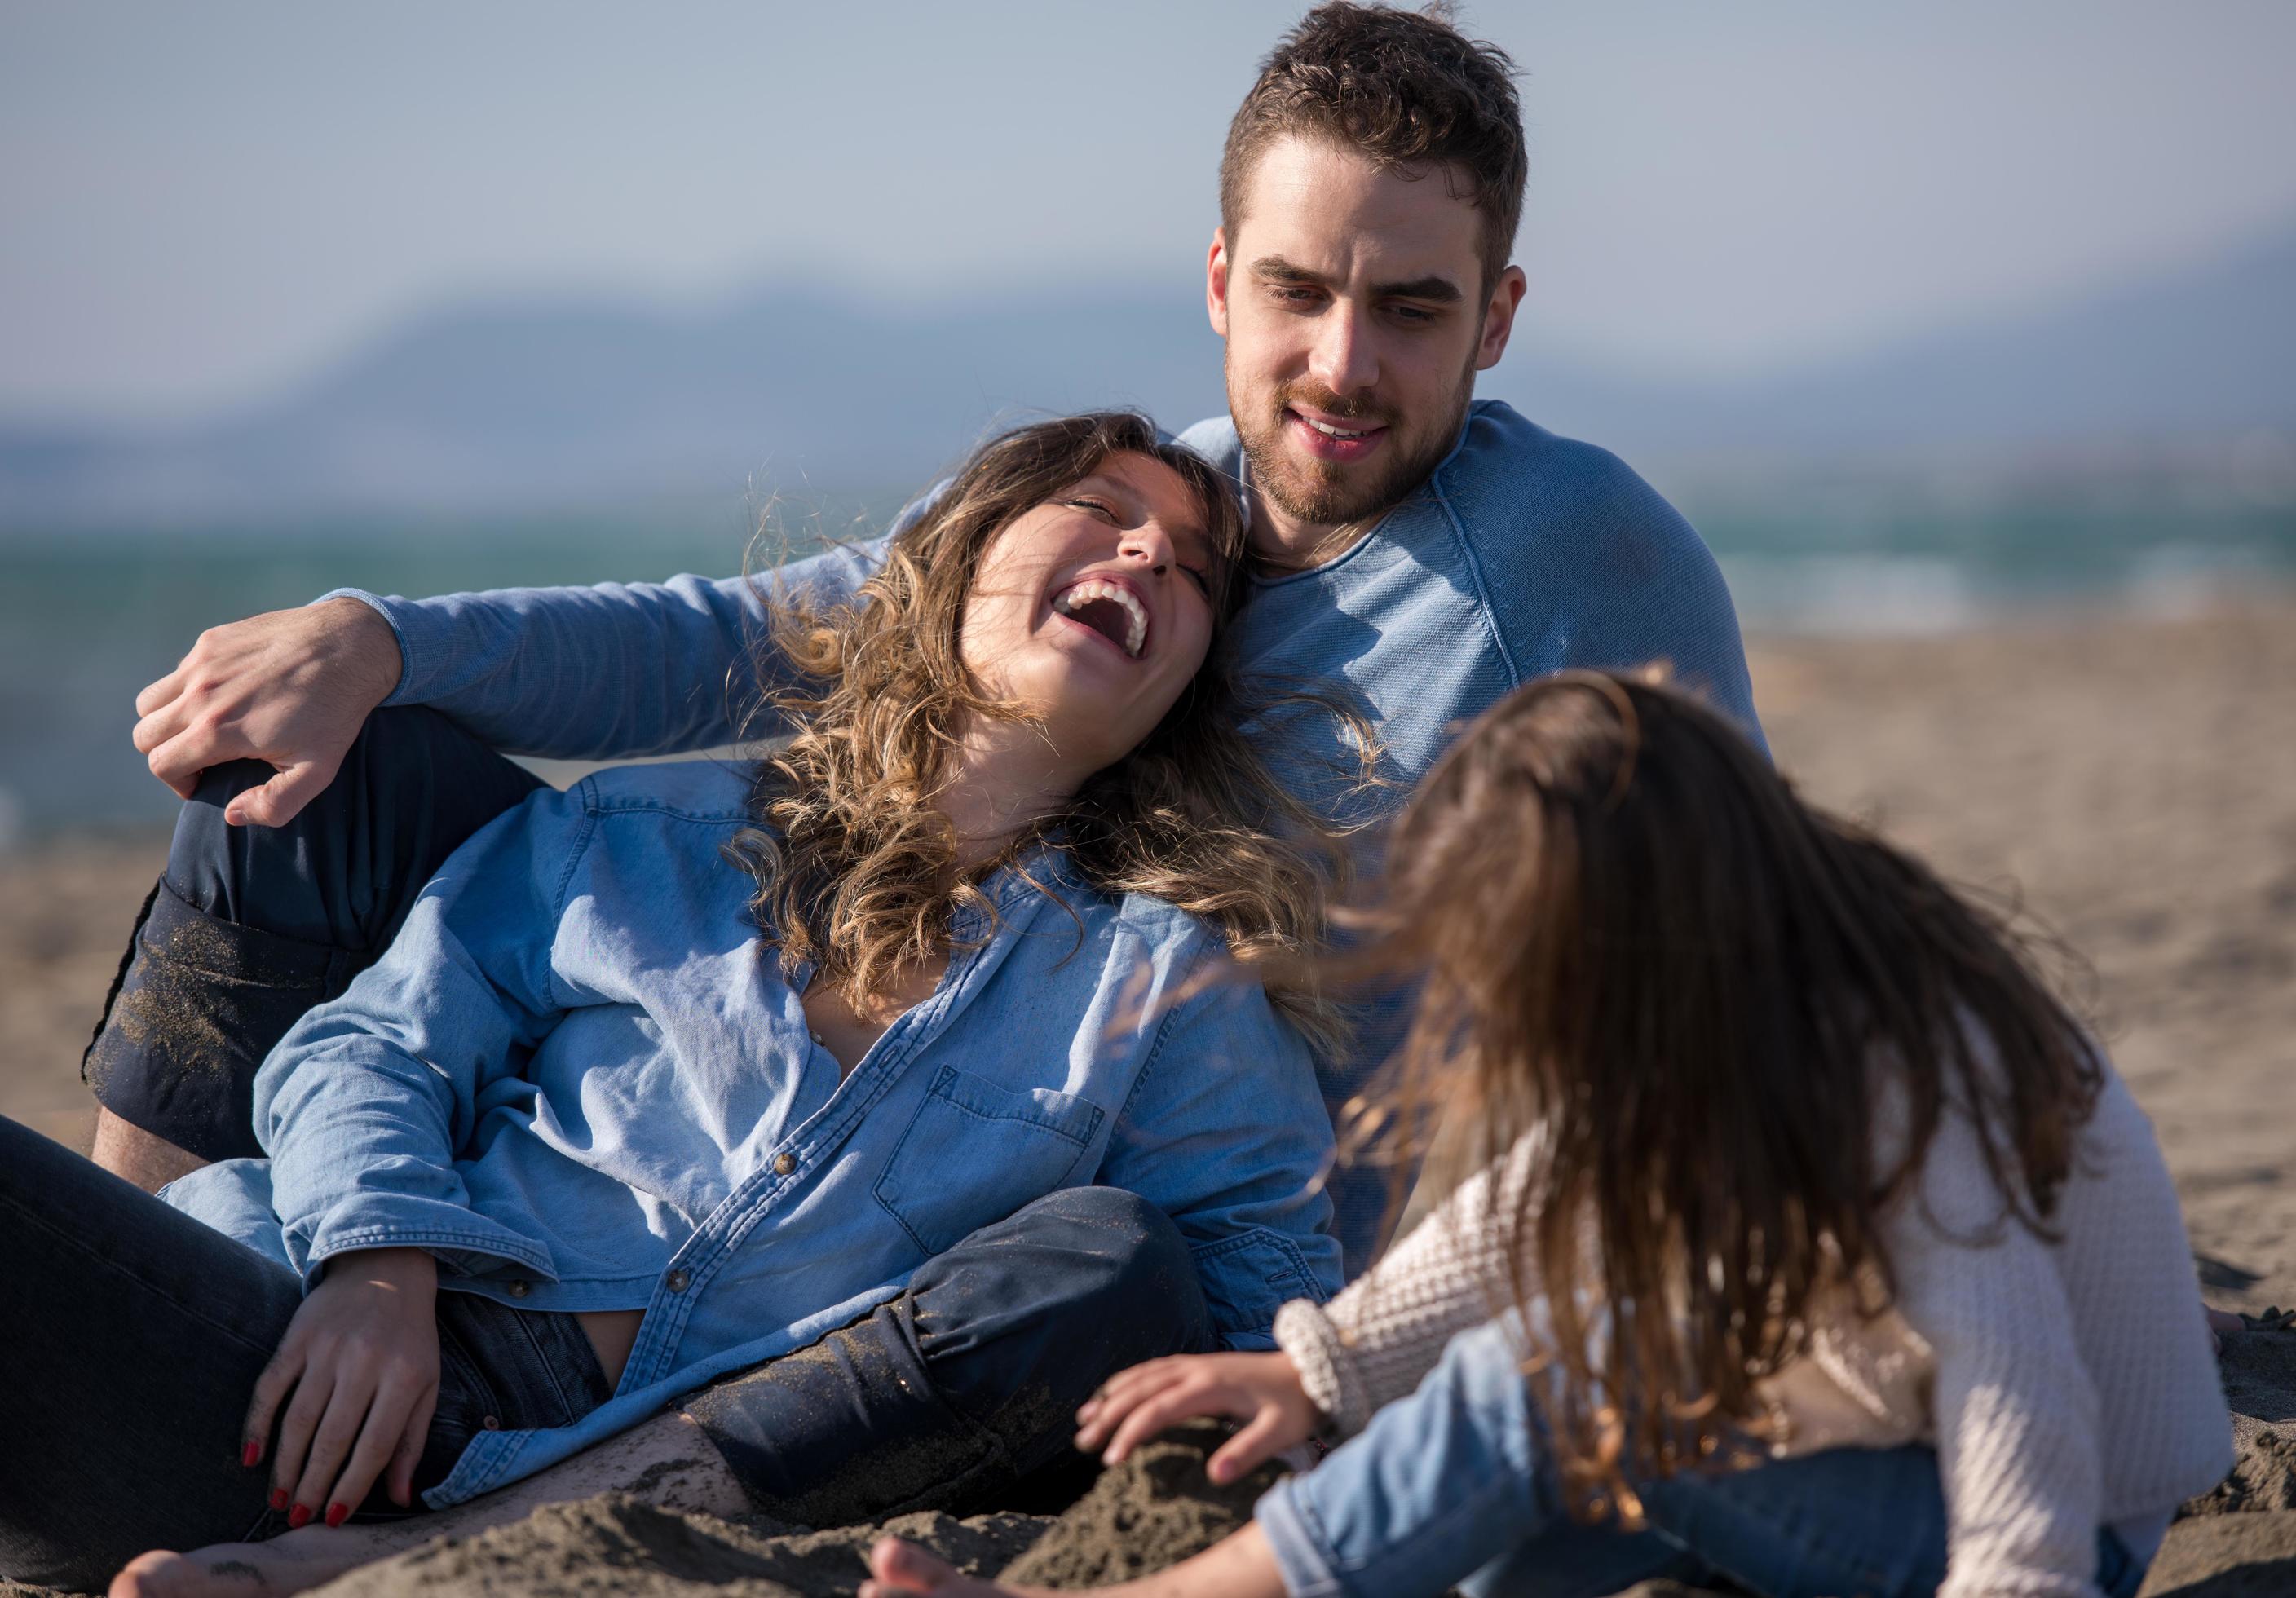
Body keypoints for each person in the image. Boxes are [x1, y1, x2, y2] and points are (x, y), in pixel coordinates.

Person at [91, 3, 1764, 1266]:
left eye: (1411, 309)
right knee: (324, 772)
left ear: (1499, 318)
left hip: (1144, 1194)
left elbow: (1743, 948)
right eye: (1296, 291)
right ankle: (141, 1263)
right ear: (1216, 280)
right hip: (905, 1027)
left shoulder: (1575, 553)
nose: (1340, 363)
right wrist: (377, 635)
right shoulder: (1132, 514)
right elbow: (744, 642)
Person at [4, 414, 1353, 1591]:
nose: (1142, 559)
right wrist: (376, 1262)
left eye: (1187, 573)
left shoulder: (1168, 985)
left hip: (693, 1482)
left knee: (1117, 1257)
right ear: (948, 560)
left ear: (1181, 696)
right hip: (314, 1372)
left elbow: (1271, 1305)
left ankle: (417, 1567)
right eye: (1105, 515)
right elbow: (379, 1043)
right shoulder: (654, 824)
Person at [862, 672, 2235, 1598]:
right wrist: (1324, 1371)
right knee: (1489, 1532)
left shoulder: (1916, 1071)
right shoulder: (1773, 969)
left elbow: (2022, 1399)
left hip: (2027, 1536)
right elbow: (1533, 1202)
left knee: (1540, 1389)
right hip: (1863, 1444)